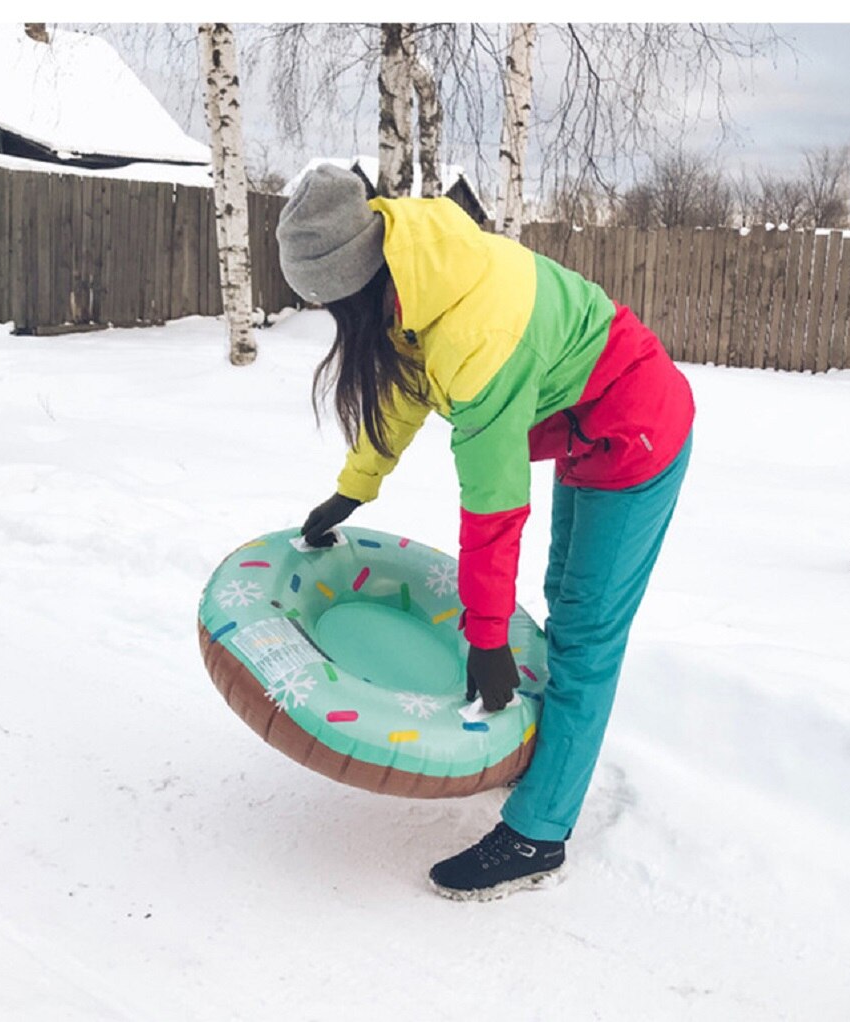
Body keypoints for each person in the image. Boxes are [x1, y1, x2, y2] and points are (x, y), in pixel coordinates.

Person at [275, 164, 694, 902]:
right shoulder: (413, 270)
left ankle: (539, 833)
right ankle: (548, 759)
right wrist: (354, 489)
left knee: (587, 631)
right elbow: (403, 394)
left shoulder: (476, 330)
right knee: (566, 597)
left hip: (634, 430)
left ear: (355, 280)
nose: (333, 322)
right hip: (580, 423)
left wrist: (489, 635)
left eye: (331, 306)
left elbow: (495, 507)